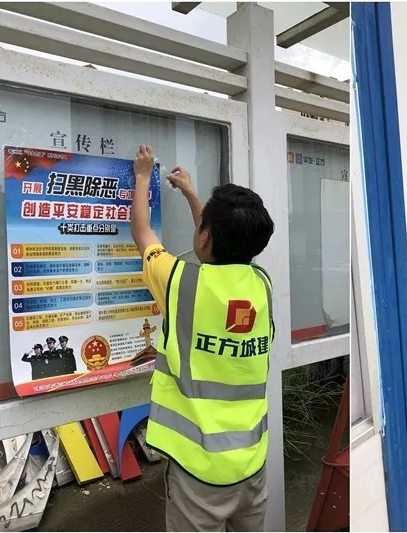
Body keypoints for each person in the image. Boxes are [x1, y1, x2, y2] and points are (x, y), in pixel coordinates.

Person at [130, 145, 275, 532]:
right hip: (251, 464)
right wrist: (192, 194)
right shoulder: (260, 285)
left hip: (200, 471)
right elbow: (222, 246)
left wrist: (142, 175)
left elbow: (142, 233)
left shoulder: (180, 281)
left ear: (205, 235)